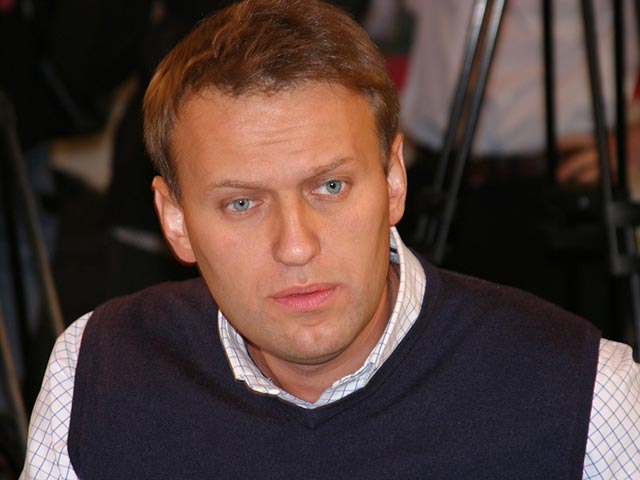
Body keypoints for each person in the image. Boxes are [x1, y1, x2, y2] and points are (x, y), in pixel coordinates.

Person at [20, 0, 640, 478]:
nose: (296, 246)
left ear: (394, 181)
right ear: (175, 220)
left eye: (331, 187)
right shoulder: (98, 372)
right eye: (242, 203)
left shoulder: (583, 393)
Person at [397, 0, 640, 338]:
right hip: (431, 181)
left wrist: (634, 138)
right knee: (428, 350)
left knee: (564, 357)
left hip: (555, 187)